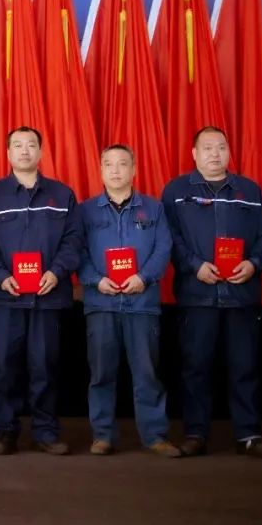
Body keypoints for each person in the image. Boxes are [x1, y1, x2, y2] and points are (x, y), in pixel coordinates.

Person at [161, 126, 262, 459]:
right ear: (194, 153)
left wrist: (254, 264)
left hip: (242, 296)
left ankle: (249, 434)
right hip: (197, 294)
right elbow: (168, 238)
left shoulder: (249, 190)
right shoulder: (176, 191)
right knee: (195, 367)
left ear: (229, 152)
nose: (215, 154)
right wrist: (194, 265)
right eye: (207, 148)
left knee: (245, 366)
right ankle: (195, 433)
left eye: (221, 147)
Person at [0, 127, 82, 455]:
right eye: (18, 145)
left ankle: (45, 432)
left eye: (31, 145)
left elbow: (74, 241)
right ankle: (4, 431)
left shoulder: (61, 195)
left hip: (48, 296)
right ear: (8, 153)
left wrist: (56, 271)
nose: (25, 151)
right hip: (5, 297)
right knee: (3, 366)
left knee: (45, 365)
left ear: (41, 152)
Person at [78, 144, 180, 457]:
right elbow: (77, 252)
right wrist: (96, 280)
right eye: (109, 164)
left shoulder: (154, 209)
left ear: (134, 169)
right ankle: (103, 436)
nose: (116, 170)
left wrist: (144, 277)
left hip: (142, 303)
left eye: (123, 164)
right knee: (101, 374)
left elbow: (163, 248)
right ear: (101, 170)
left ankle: (155, 436)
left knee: (147, 373)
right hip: (101, 303)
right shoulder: (85, 211)